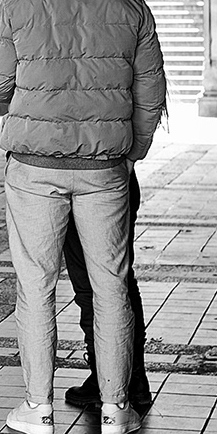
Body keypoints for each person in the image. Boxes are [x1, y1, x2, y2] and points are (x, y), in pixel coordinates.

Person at [0, 0, 166, 434]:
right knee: (111, 287)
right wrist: (131, 151)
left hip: (35, 168)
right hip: (105, 168)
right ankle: (116, 409)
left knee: (36, 287)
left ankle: (37, 409)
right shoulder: (127, 0)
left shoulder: (16, 1)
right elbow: (151, 90)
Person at [60, 168, 153, 412]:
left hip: (80, 172)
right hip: (114, 172)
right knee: (117, 280)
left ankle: (110, 377)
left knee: (93, 287)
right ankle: (130, 377)